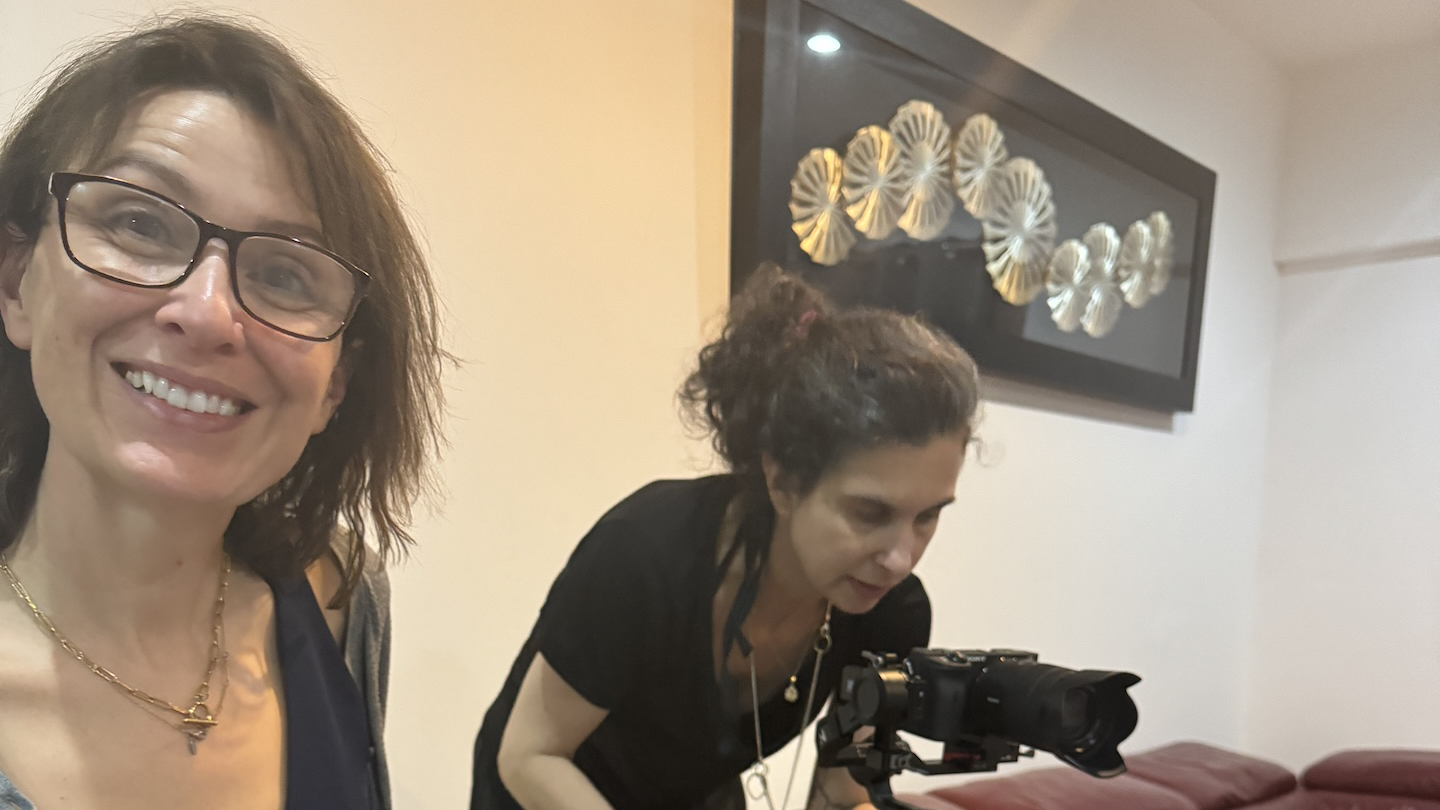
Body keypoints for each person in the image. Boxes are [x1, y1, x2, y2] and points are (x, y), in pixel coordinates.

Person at [0, 15, 445, 810]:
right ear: (15, 281)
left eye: (285, 274)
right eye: (139, 223)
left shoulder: (341, 599)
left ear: (336, 383)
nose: (207, 314)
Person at [470, 265, 981, 809]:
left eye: (928, 517)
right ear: (782, 479)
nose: (901, 558)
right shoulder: (643, 555)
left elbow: (841, 791)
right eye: (869, 512)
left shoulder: (892, 614)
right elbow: (529, 756)